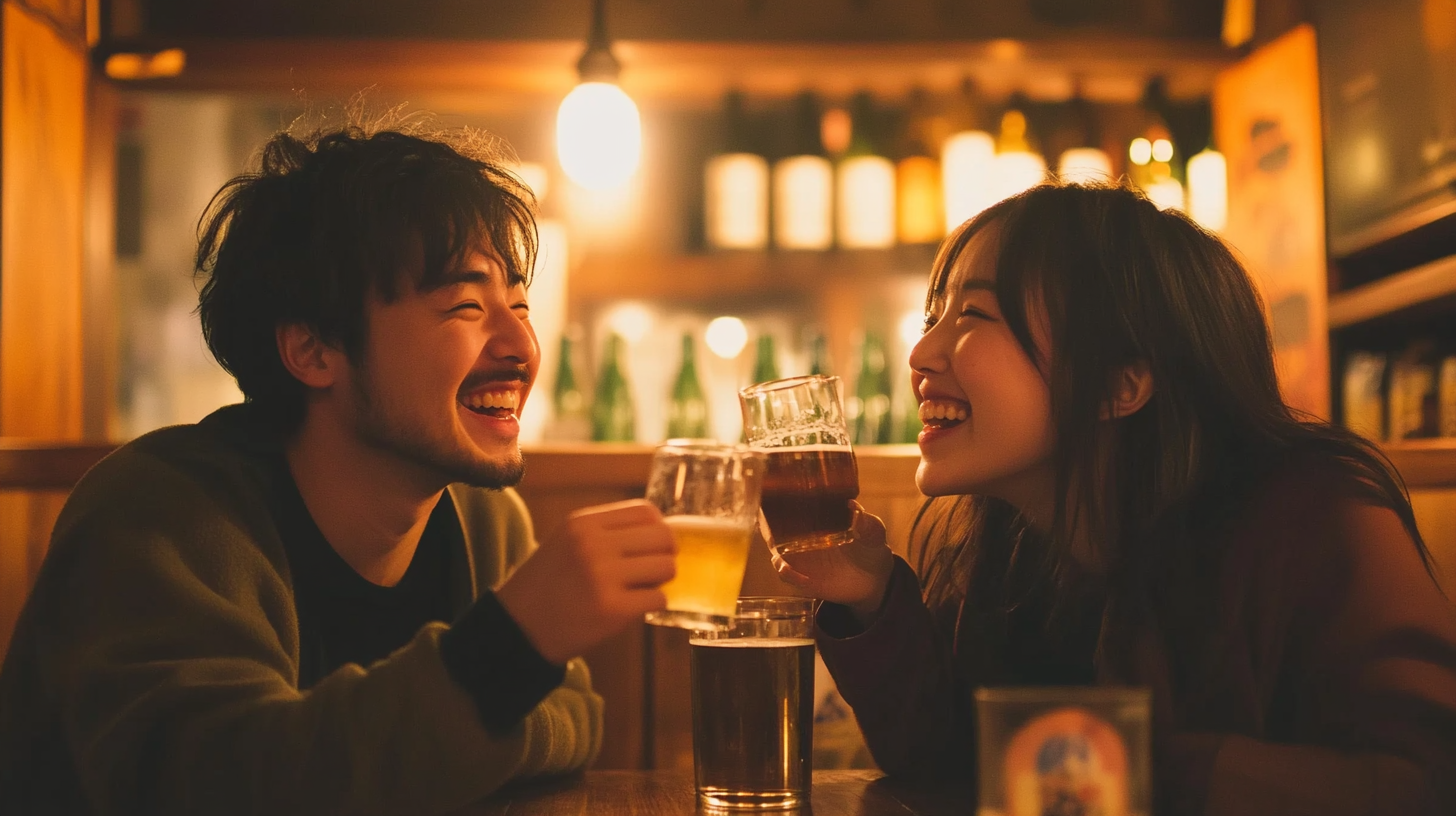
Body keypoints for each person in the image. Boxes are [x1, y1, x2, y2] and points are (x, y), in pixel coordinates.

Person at [0, 123, 677, 814]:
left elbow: (576, 712)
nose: (521, 345)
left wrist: (482, 691)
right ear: (314, 349)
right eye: (467, 306)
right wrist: (504, 653)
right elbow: (227, 785)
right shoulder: (162, 513)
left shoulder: (482, 519)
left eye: (520, 304)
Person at [774, 182, 1456, 815]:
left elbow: (1422, 784)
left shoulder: (1313, 516)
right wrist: (870, 597)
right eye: (934, 315)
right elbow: (957, 765)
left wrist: (1108, 753)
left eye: (973, 314)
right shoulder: (1013, 547)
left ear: (1119, 385)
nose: (921, 352)